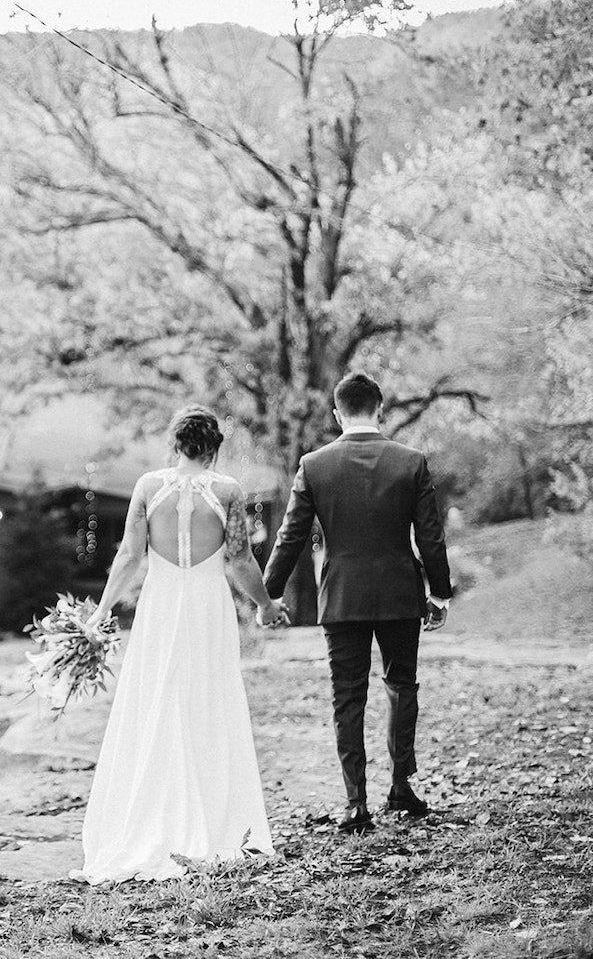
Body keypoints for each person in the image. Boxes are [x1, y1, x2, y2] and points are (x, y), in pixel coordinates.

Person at [71, 405, 285, 882]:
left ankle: (153, 817)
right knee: (207, 702)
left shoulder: (149, 486)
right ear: (213, 448)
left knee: (157, 701)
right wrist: (265, 605)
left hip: (161, 606)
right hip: (208, 605)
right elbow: (241, 559)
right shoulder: (228, 490)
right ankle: (212, 821)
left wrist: (102, 613)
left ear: (175, 445)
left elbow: (129, 556)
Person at [262, 372, 453, 834]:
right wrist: (439, 592)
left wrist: (268, 593)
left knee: (346, 696)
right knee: (402, 686)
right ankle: (402, 788)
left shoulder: (314, 465)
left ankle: (355, 803)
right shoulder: (411, 462)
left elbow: (291, 537)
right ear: (380, 409)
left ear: (336, 413)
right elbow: (430, 535)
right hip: (399, 594)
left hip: (342, 596)